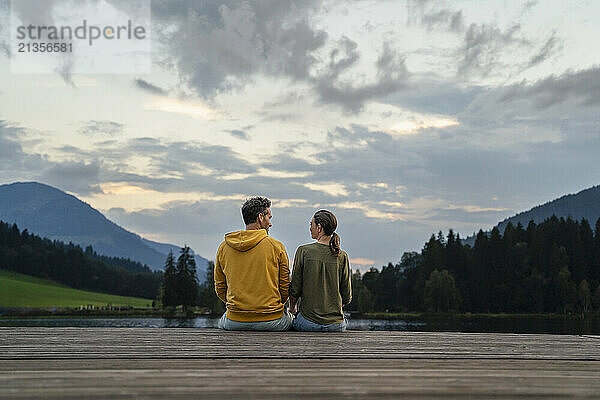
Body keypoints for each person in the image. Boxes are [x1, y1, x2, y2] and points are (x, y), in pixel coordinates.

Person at [214, 196, 293, 331]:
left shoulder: (224, 247)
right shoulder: (277, 247)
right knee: (292, 319)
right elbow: (285, 288)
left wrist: (238, 307)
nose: (270, 223)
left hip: (235, 321)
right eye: (269, 218)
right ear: (260, 217)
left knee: (222, 320)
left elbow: (220, 288)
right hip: (271, 321)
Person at [289, 209, 352, 331]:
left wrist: (292, 308)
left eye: (311, 225)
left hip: (308, 323)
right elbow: (347, 296)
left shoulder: (303, 251)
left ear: (319, 227)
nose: (309, 228)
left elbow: (295, 289)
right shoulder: (342, 256)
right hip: (336, 325)